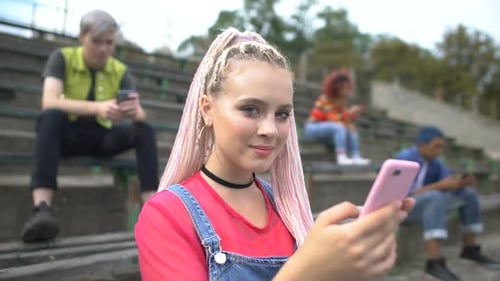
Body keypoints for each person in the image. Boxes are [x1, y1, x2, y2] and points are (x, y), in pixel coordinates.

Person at [135, 27, 414, 281]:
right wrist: (307, 271)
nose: (270, 129)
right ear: (207, 109)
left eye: (282, 114)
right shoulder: (166, 215)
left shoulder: (288, 208)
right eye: (250, 109)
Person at [20, 10, 159, 243]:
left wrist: (135, 112)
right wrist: (98, 108)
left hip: (103, 137)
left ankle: (153, 210)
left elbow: (141, 113)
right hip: (68, 135)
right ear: (82, 37)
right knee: (50, 117)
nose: (104, 48)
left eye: (109, 42)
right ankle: (41, 208)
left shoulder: (120, 69)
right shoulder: (61, 57)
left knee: (145, 130)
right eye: (97, 41)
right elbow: (49, 101)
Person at [395, 126, 500, 281]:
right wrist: (439, 186)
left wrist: (459, 183)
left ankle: (470, 249)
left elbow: (447, 182)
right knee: (434, 196)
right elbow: (401, 195)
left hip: (427, 204)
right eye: (436, 146)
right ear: (421, 145)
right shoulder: (404, 158)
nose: (440, 151)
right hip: (403, 208)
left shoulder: (435, 162)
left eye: (442, 147)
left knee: (468, 195)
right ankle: (435, 262)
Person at [303, 69, 370, 166]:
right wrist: (349, 113)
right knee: (339, 127)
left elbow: (344, 120)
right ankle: (341, 156)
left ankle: (355, 156)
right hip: (312, 128)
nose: (346, 90)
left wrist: (352, 116)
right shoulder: (325, 98)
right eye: (343, 87)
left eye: (347, 87)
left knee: (351, 127)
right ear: (336, 87)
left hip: (332, 127)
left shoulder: (343, 100)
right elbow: (333, 118)